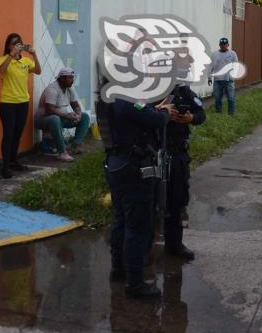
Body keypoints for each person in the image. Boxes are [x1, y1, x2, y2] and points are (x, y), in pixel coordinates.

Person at [104, 96, 175, 299]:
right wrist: (165, 112)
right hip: (133, 168)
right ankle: (135, 284)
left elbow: (141, 113)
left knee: (121, 220)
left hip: (117, 164)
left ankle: (119, 269)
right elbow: (157, 120)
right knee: (138, 225)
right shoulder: (129, 99)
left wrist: (153, 109)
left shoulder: (112, 98)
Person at [162, 80, 205, 260]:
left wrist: (191, 119)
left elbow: (201, 114)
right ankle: (146, 246)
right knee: (152, 203)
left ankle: (175, 244)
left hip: (178, 153)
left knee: (178, 199)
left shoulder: (184, 91)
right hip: (155, 154)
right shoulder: (147, 90)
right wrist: (162, 113)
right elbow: (139, 114)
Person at [0, 33, 41, 179]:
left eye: (19, 42)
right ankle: (5, 167)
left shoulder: (26, 61)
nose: (17, 45)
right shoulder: (4, 59)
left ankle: (13, 161)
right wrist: (11, 54)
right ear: (8, 45)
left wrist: (34, 55)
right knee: (8, 135)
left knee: (17, 134)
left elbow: (38, 71)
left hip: (23, 103)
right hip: (8, 103)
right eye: (14, 43)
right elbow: (1, 70)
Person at [35, 67, 90, 163]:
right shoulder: (52, 89)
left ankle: (75, 145)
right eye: (70, 78)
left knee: (85, 117)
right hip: (43, 120)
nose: (72, 80)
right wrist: (67, 115)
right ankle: (62, 152)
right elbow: (49, 110)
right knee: (55, 119)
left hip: (60, 118)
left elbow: (76, 106)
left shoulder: (69, 89)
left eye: (72, 78)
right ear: (62, 78)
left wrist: (78, 115)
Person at [208, 37, 238, 114]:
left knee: (231, 98)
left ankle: (231, 114)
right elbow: (211, 67)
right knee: (218, 99)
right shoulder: (214, 54)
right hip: (218, 81)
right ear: (219, 45)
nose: (223, 46)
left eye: (225, 44)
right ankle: (218, 114)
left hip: (229, 80)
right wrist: (209, 78)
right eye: (222, 44)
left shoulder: (232, 53)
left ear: (228, 45)